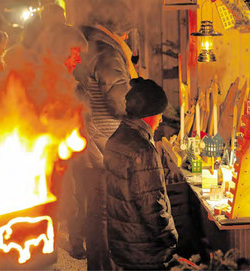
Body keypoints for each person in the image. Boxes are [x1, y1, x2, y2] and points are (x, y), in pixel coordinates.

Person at [72, 0, 138, 269]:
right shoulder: (107, 52)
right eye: (125, 32)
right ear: (117, 27)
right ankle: (103, 266)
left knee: (94, 209)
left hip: (90, 136)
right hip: (105, 139)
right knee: (105, 212)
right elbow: (119, 101)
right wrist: (142, 101)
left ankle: (98, 264)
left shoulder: (88, 42)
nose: (126, 37)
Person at [104, 77, 179, 270]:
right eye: (159, 114)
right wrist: (170, 238)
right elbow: (152, 206)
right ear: (150, 114)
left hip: (121, 242)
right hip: (143, 249)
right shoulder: (143, 150)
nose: (161, 119)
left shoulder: (116, 138)